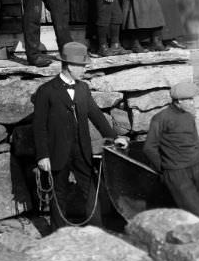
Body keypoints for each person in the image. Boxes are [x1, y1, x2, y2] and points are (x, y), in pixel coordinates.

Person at [32, 41, 129, 231]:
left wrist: (113, 136)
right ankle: (58, 233)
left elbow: (97, 116)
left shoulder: (83, 88)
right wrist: (42, 155)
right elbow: (39, 127)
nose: (85, 69)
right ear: (69, 66)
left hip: (82, 149)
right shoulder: (46, 91)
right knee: (58, 192)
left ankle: (96, 230)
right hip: (57, 151)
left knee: (90, 188)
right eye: (82, 66)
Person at [143, 81, 199, 222]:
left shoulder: (189, 116)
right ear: (179, 101)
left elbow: (196, 143)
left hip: (197, 168)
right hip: (177, 173)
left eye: (193, 99)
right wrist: (164, 169)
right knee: (198, 215)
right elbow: (149, 148)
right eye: (190, 100)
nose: (193, 103)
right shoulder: (161, 118)